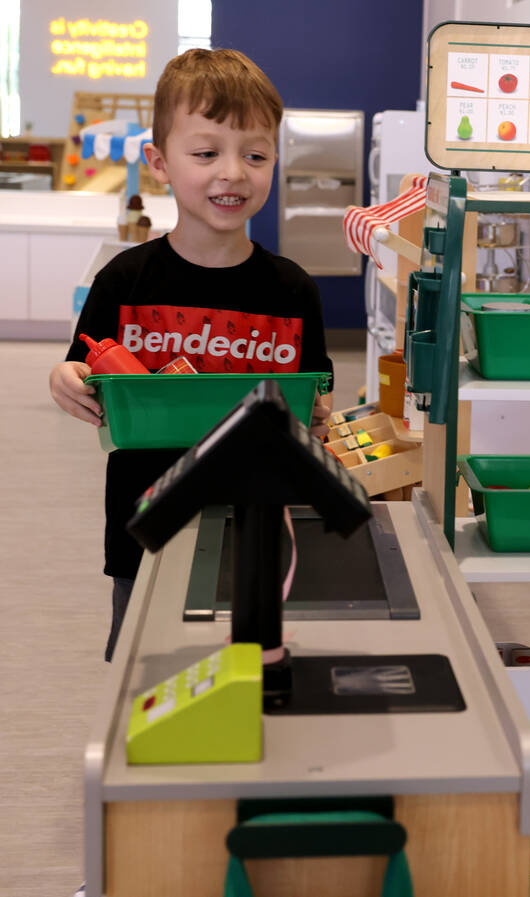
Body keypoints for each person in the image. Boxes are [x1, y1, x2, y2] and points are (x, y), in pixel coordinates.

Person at [48, 48, 333, 662]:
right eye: (206, 153)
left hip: (256, 530)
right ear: (159, 163)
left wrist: (317, 419)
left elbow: (315, 401)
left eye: (255, 155)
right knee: (145, 676)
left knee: (255, 673)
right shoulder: (123, 282)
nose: (233, 172)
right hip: (145, 530)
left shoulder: (293, 291)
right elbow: (82, 367)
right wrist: (62, 378)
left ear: (274, 162)